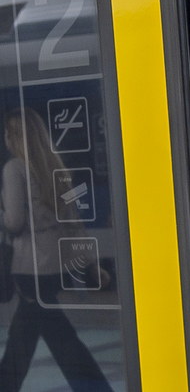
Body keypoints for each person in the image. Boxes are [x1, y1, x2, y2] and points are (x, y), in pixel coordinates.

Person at [0, 109, 113, 392]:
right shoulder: (55, 167)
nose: (4, 137)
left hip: (29, 268)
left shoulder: (14, 169)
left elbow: (13, 222)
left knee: (46, 341)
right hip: (55, 268)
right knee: (39, 336)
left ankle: (96, 388)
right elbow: (74, 224)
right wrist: (91, 265)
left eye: (7, 132)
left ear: (13, 136)